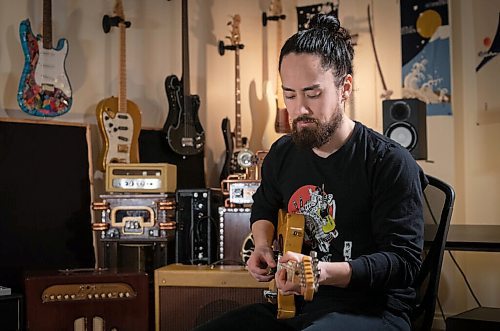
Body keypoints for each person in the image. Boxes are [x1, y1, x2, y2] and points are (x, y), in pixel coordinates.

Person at [194, 13, 427, 331]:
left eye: (313, 94)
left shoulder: (389, 162)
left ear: (344, 87)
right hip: (295, 310)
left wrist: (322, 272)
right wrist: (262, 245)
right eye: (289, 95)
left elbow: (403, 263)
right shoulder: (282, 153)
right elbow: (264, 204)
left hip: (374, 313)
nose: (299, 109)